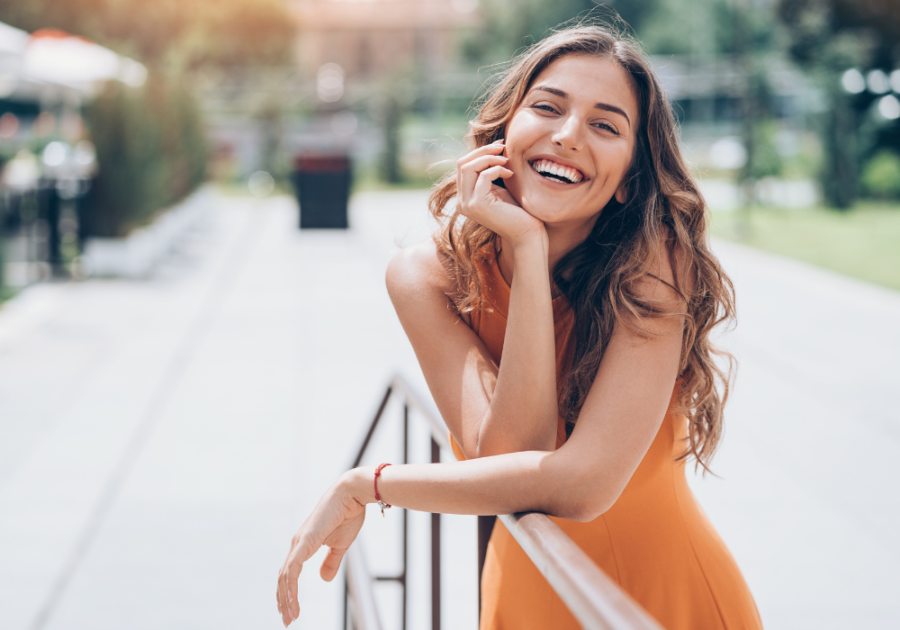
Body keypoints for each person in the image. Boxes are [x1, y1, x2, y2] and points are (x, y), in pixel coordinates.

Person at [276, 23, 762, 630]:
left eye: (605, 125)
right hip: (525, 598)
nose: (567, 136)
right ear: (504, 128)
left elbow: (580, 487)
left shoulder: (654, 264)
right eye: (547, 107)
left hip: (659, 603)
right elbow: (512, 456)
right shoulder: (426, 278)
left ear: (629, 181)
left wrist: (370, 484)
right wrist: (528, 254)